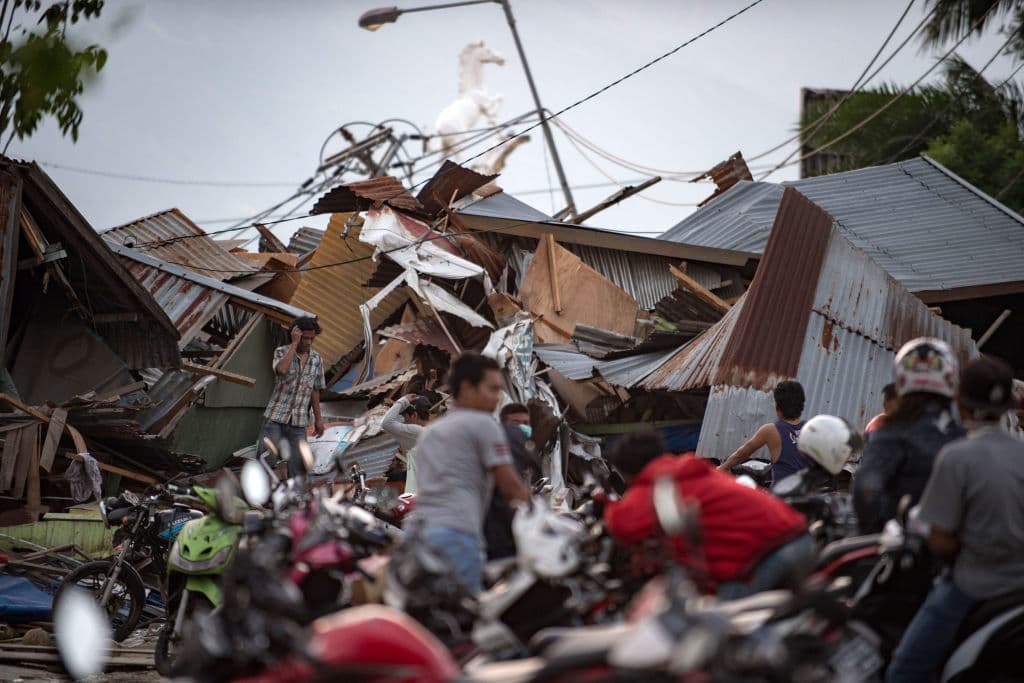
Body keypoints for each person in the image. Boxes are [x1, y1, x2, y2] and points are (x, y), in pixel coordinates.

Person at [886, 356, 1024, 683]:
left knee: (905, 671)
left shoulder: (956, 457)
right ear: (1008, 407)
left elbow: (939, 541)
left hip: (974, 584)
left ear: (960, 403)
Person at [605, 431, 811, 600]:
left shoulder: (655, 485)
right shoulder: (690, 468)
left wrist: (602, 505)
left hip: (773, 555)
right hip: (800, 537)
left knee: (704, 623)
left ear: (628, 473)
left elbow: (621, 524)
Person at [411, 353, 530, 592]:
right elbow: (512, 489)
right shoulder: (484, 424)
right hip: (457, 537)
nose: (497, 398)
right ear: (467, 388)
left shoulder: (431, 432)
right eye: (492, 389)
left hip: (418, 537)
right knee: (466, 611)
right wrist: (545, 517)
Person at [853, 338, 964, 534]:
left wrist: (876, 531)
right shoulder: (964, 436)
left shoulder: (891, 433)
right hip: (958, 546)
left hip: (900, 545)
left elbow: (866, 489)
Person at [258, 317, 325, 478]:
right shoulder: (281, 352)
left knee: (298, 466)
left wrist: (318, 419)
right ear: (295, 334)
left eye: (311, 339)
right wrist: (294, 344)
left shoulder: (316, 360)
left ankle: (294, 493)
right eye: (304, 338)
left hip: (299, 422)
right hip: (275, 418)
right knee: (266, 459)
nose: (308, 342)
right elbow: (281, 370)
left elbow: (315, 390)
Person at [718, 381, 807, 484]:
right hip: (810, 490)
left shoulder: (770, 430)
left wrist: (722, 468)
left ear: (778, 406)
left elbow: (742, 453)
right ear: (801, 405)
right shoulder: (811, 428)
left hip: (783, 492)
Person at [484, 404, 534, 560]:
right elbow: (512, 490)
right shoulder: (502, 446)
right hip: (499, 533)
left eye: (526, 423)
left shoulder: (524, 447)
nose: (522, 427)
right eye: (516, 423)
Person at [381, 394, 432, 494]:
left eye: (405, 417)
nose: (404, 421)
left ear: (414, 415)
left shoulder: (416, 431)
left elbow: (386, 423)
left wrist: (403, 401)